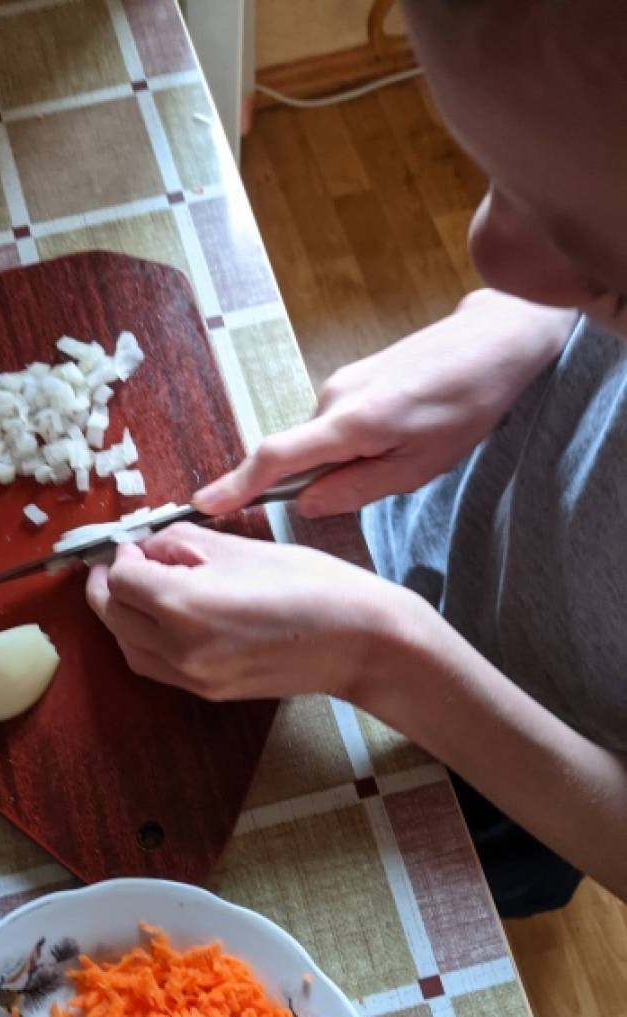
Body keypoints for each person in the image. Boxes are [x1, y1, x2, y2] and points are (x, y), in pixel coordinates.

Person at [86, 0, 627, 915]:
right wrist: (527, 325)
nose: (485, 253)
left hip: (538, 775)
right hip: (425, 549)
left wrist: (384, 658)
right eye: (494, 172)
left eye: (600, 265)